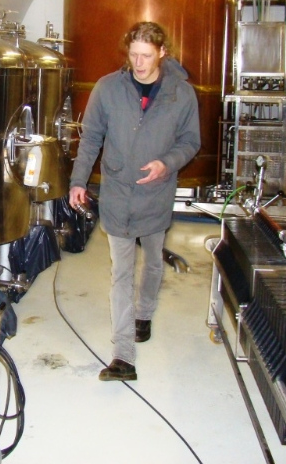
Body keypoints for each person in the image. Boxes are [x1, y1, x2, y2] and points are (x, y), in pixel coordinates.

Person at [68, 21, 201, 382]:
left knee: (153, 261)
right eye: (133, 55)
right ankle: (123, 355)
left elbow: (191, 141)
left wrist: (166, 164)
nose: (138, 63)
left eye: (146, 55)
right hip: (117, 194)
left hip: (156, 193)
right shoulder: (108, 88)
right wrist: (78, 181)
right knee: (121, 274)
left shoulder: (181, 93)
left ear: (162, 53)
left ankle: (145, 312)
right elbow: (91, 138)